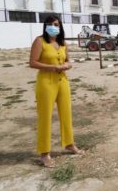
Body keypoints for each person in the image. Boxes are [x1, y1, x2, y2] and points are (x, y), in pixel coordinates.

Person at [30, 15, 83, 167]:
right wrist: (53, 67)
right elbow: (32, 63)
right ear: (45, 26)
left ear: (60, 26)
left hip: (63, 81)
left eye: (56, 24)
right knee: (45, 117)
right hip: (46, 82)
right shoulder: (40, 41)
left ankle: (69, 143)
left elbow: (67, 60)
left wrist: (67, 65)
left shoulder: (62, 43)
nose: (53, 26)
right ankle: (44, 153)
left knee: (66, 113)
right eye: (50, 24)